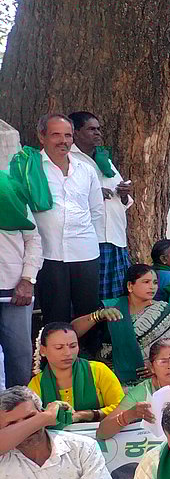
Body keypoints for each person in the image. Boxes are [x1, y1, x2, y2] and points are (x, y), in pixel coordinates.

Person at [28, 114, 104, 330]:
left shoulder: (85, 169)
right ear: (42, 137)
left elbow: (97, 211)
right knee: (55, 315)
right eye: (56, 135)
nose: (63, 141)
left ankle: (89, 360)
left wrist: (93, 244)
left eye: (68, 135)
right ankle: (54, 362)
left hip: (86, 253)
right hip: (49, 254)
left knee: (89, 315)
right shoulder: (30, 168)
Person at [67, 264, 170, 386]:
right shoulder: (112, 307)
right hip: (109, 376)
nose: (152, 287)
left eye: (155, 282)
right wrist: (98, 315)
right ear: (130, 285)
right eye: (146, 282)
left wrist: (159, 365)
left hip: (151, 380)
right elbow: (72, 332)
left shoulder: (164, 310)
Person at [69, 112, 131, 301]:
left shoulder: (105, 159)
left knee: (118, 299)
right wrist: (95, 194)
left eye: (98, 129)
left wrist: (124, 193)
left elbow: (124, 202)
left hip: (116, 238)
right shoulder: (69, 159)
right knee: (91, 300)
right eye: (91, 129)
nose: (98, 133)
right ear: (76, 132)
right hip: (91, 240)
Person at [29, 323, 124, 424]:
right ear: (43, 350)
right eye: (59, 347)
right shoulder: (37, 384)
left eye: (73, 346)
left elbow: (123, 407)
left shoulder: (98, 370)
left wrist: (85, 415)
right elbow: (30, 420)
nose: (68, 353)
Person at [0, 169, 40, 387]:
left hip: (15, 290)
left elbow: (33, 239)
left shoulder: (11, 187)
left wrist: (28, 279)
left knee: (19, 356)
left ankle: (20, 411)